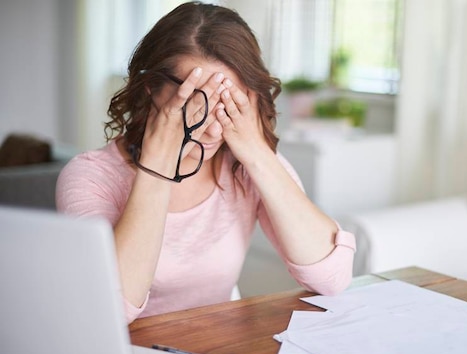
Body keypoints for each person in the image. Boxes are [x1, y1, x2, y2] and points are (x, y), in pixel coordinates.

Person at [56, 2, 356, 324]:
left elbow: (332, 279)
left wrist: (256, 152)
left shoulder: (246, 165)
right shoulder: (90, 177)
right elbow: (111, 310)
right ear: (151, 89)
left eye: (229, 104)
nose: (214, 128)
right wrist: (158, 167)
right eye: (195, 102)